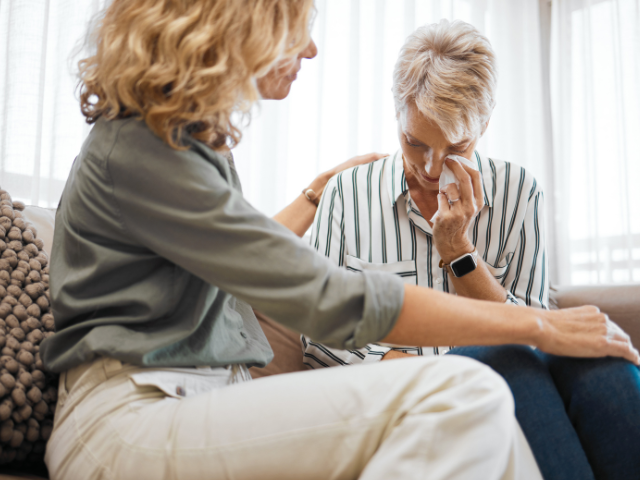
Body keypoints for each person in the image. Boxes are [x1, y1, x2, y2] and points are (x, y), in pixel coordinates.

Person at [39, 2, 637, 479]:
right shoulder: (144, 152)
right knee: (467, 391)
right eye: (295, 24)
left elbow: (232, 262)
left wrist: (310, 195)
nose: (310, 47)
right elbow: (330, 299)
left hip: (186, 398)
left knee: (509, 418)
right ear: (238, 24)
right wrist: (538, 325)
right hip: (130, 418)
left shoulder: (184, 150)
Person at [301, 20, 640, 480]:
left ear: (486, 121)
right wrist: (449, 372)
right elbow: (322, 346)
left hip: (509, 377)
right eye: (414, 142)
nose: (431, 167)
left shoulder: (519, 191)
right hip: (404, 392)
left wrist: (459, 250)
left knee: (603, 368)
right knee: (498, 366)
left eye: (456, 146)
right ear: (397, 113)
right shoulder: (346, 194)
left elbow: (536, 329)